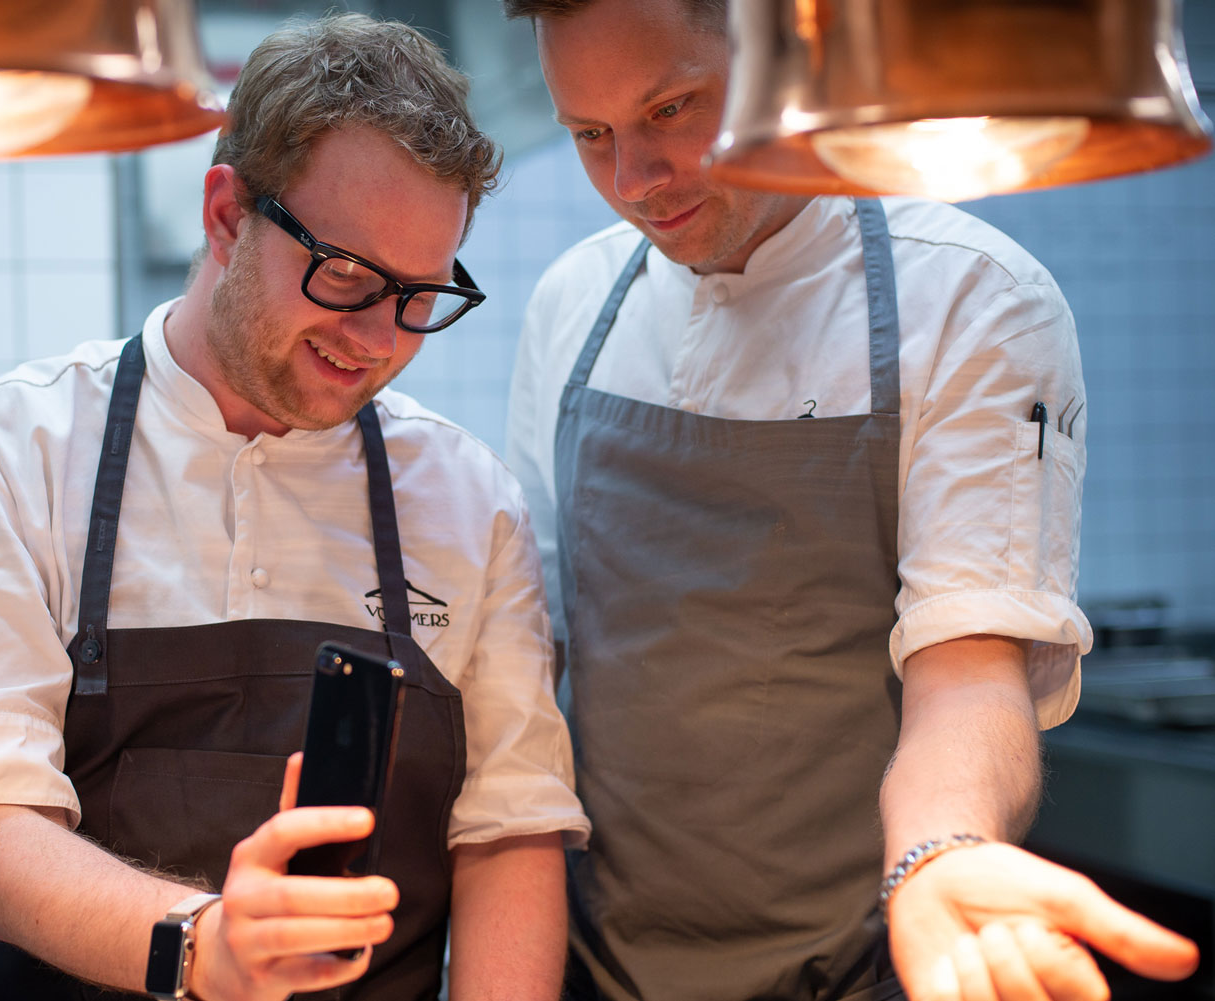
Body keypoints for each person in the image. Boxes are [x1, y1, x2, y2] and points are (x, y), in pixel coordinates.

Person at [0, 14, 588, 1001]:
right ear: (225, 214)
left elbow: (510, 831)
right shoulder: (7, 455)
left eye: (419, 294)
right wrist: (204, 945)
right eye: (345, 274)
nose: (378, 337)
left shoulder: (469, 501)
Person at [501, 1, 1201, 999]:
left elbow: (968, 669)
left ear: (788, 60)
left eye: (673, 107)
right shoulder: (573, 300)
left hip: (865, 964)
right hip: (596, 964)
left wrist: (943, 848)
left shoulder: (970, 295)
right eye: (592, 135)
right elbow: (538, 661)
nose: (633, 181)